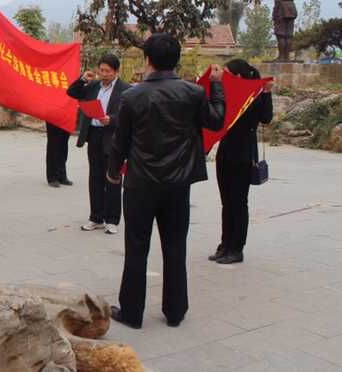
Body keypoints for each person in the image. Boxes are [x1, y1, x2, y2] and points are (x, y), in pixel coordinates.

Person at [106, 33, 225, 329]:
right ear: (177, 60)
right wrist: (218, 86)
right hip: (177, 184)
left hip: (140, 183)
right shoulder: (193, 93)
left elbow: (119, 142)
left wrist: (111, 171)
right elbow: (216, 121)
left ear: (147, 60)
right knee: (175, 246)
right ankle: (175, 311)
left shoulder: (131, 96)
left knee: (137, 246)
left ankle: (132, 312)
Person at [211, 59, 274, 264]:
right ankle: (225, 244)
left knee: (238, 202)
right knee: (226, 202)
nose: (225, 76)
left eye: (228, 73)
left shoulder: (254, 95)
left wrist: (266, 93)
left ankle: (236, 248)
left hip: (243, 154)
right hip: (225, 152)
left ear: (238, 76)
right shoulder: (226, 93)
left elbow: (266, 118)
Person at [67, 54, 130, 234]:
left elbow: (128, 115)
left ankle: (112, 220)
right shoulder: (93, 85)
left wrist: (111, 119)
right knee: (95, 177)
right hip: (94, 135)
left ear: (116, 71)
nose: (103, 74)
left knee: (113, 177)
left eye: (107, 71)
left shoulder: (125, 89)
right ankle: (96, 217)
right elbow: (71, 93)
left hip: (113, 138)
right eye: (101, 70)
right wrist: (82, 80)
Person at [44, 123, 72, 188]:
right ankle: (52, 177)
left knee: (64, 146)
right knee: (53, 145)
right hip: (54, 117)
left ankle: (61, 175)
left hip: (67, 117)